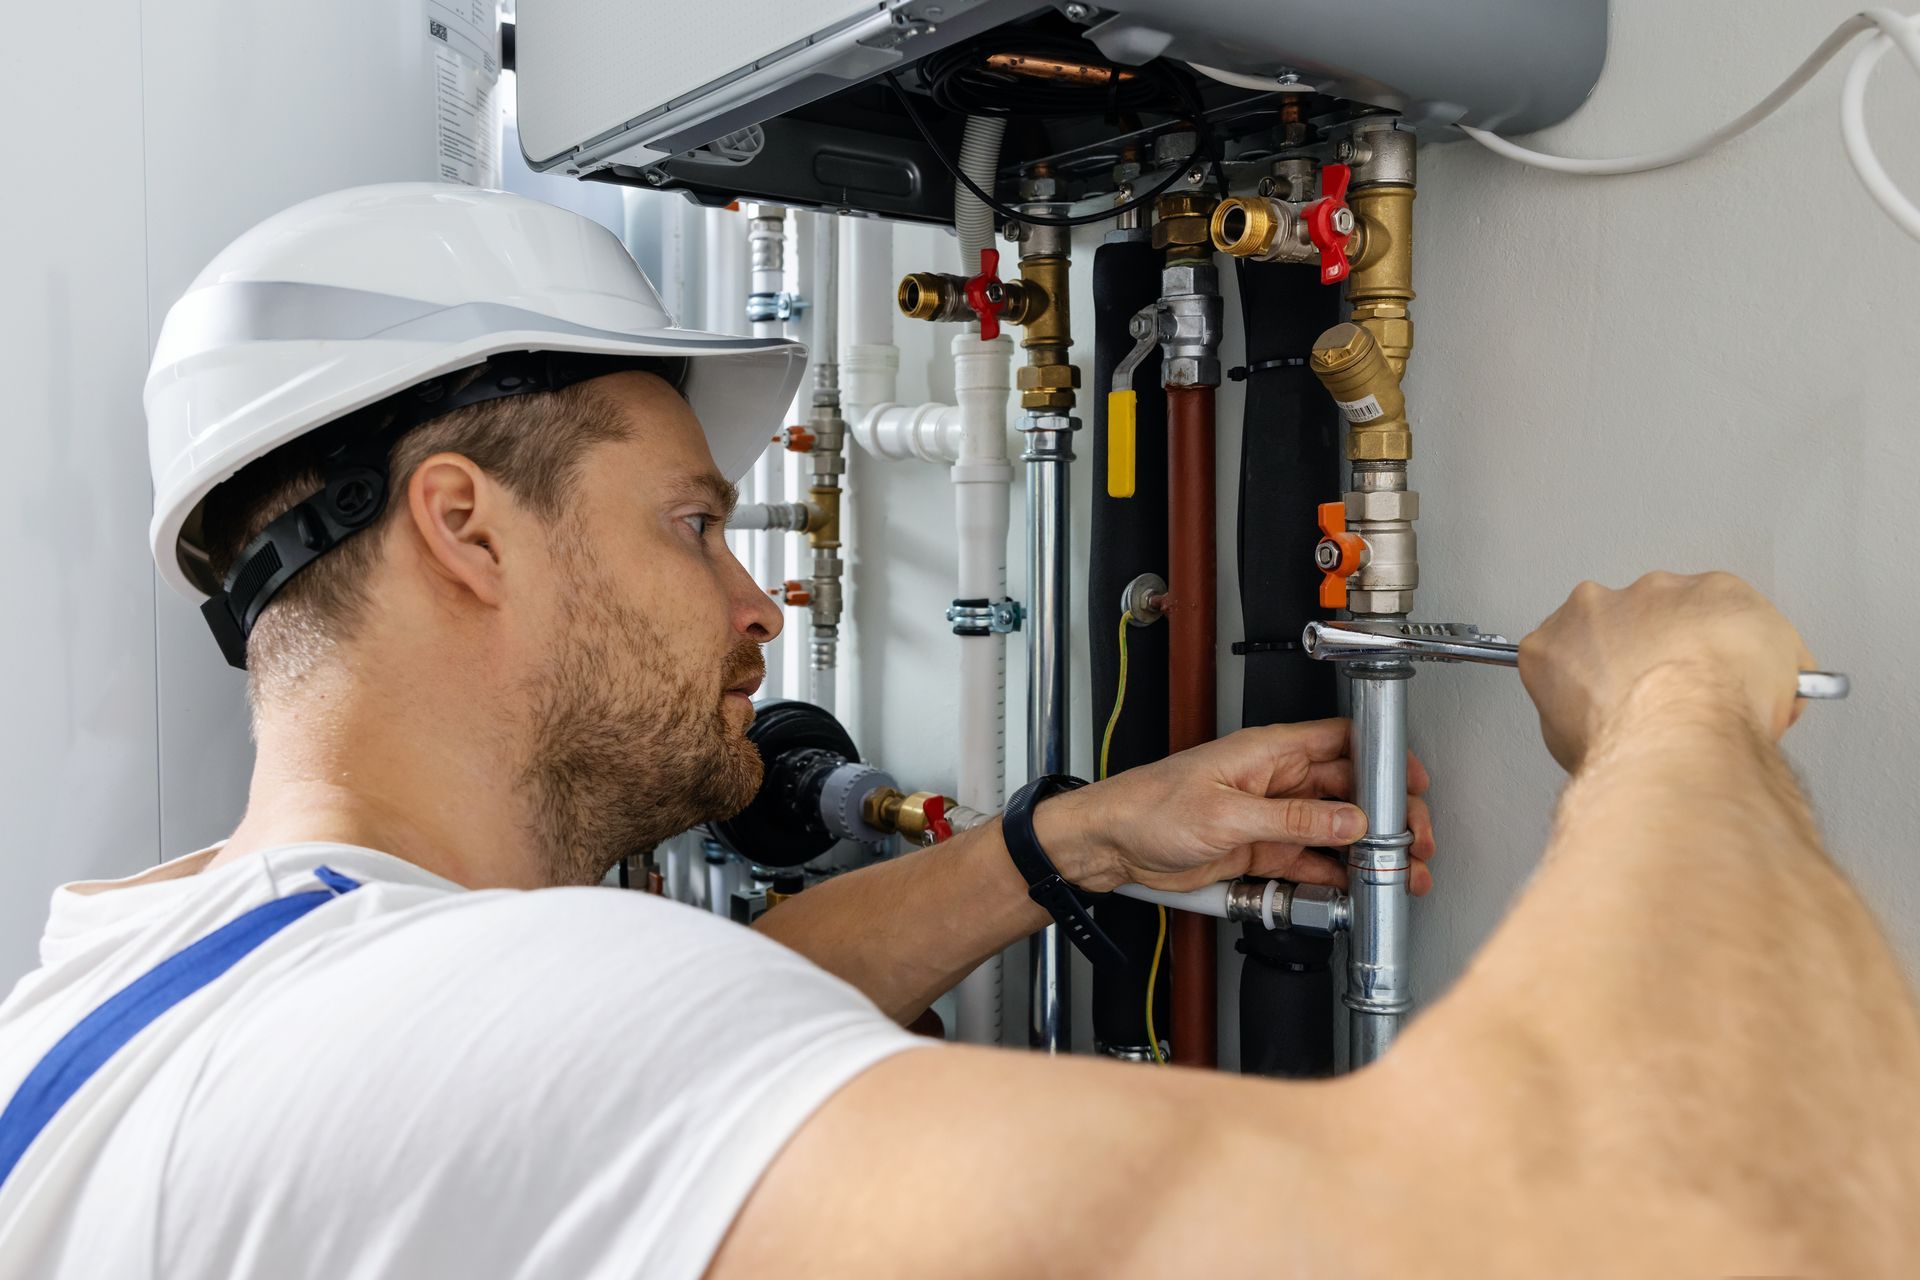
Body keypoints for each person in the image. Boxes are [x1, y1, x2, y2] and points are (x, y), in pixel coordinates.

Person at [0, 185, 1913, 1277]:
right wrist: (1681, 713)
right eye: (691, 524)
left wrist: (1058, 845)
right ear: (461, 525)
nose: (756, 603)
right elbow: (1680, 1233)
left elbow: (644, 1040)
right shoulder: (485, 1034)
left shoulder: (150, 977)